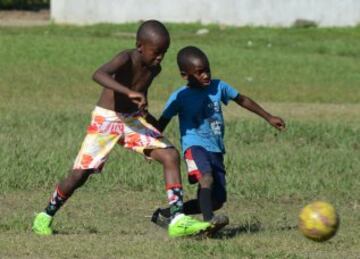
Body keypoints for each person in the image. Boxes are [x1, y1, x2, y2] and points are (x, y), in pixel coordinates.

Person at [32, 21, 212, 238]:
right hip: (106, 119)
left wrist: (143, 109)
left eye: (164, 53)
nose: (160, 58)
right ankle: (45, 215)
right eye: (156, 52)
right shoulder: (126, 57)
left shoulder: (155, 69)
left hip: (131, 120)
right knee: (79, 175)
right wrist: (128, 93)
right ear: (139, 45)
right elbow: (99, 74)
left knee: (170, 155)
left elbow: (139, 91)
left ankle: (177, 219)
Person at [151, 46, 286, 234]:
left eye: (207, 70)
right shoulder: (179, 97)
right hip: (194, 146)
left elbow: (242, 100)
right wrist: (151, 144)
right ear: (185, 75)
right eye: (199, 73)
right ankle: (209, 222)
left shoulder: (219, 86)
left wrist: (268, 117)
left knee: (216, 201)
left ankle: (166, 214)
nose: (205, 75)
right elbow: (162, 122)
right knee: (206, 177)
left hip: (215, 149)